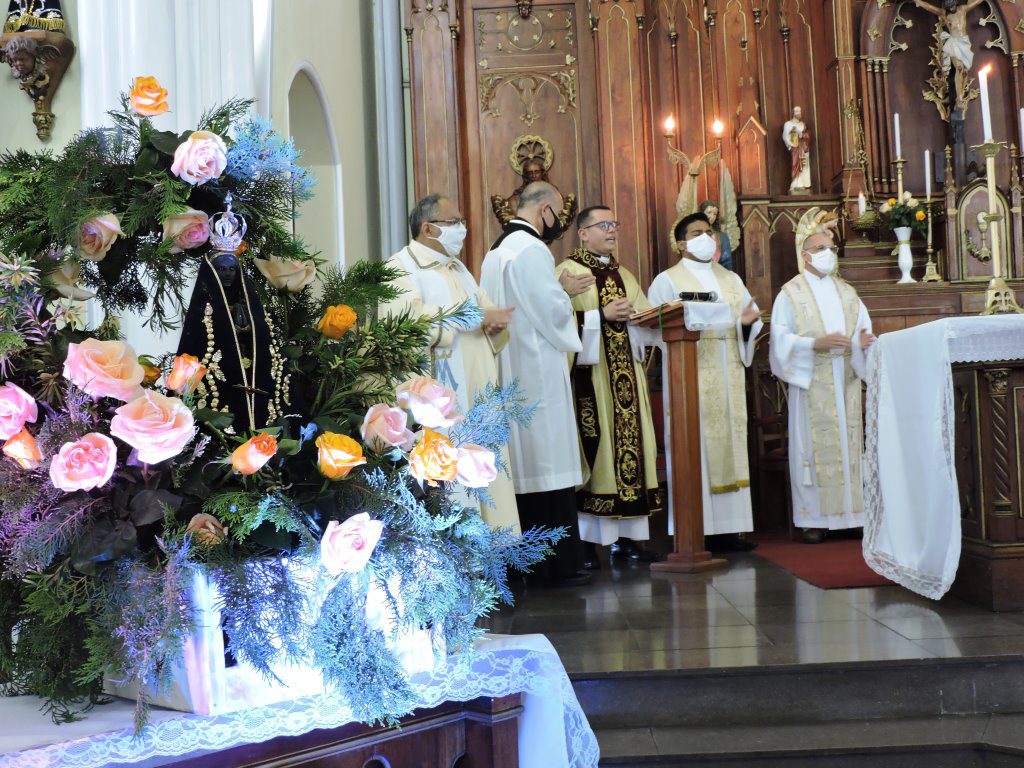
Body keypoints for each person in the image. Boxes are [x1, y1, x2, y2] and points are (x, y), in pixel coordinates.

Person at [380, 193, 519, 532]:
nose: (462, 228)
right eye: (453, 222)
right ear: (428, 228)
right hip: (441, 387)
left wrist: (494, 324)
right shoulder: (400, 267)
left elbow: (484, 311)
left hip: (478, 382)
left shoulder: (458, 268)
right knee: (450, 468)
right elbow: (402, 322)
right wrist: (473, 317)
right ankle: (459, 547)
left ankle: (490, 547)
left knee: (484, 457)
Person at [480, 181, 591, 586]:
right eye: (556, 213)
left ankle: (526, 563)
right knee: (547, 465)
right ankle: (556, 566)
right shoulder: (531, 250)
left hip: (511, 365)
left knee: (525, 465)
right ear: (544, 209)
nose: (556, 222)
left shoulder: (497, 250)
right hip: (536, 370)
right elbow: (551, 311)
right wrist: (566, 293)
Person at [647, 212, 762, 552]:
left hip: (728, 373)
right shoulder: (667, 281)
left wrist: (746, 324)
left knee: (730, 442)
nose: (706, 238)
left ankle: (732, 528)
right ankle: (696, 528)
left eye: (709, 232)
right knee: (696, 447)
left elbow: (749, 319)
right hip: (691, 375)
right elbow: (655, 327)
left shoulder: (730, 279)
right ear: (681, 243)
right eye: (697, 233)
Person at [555, 205, 662, 567]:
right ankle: (586, 544)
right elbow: (553, 321)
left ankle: (628, 540)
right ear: (582, 233)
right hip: (591, 383)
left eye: (614, 223)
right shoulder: (568, 272)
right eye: (603, 225)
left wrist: (642, 319)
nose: (612, 230)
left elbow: (647, 318)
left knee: (632, 458)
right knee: (596, 457)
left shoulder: (625, 274)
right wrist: (600, 315)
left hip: (627, 382)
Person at [768, 208, 875, 544]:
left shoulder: (847, 291)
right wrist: (815, 343)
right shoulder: (791, 292)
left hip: (844, 376)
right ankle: (812, 518)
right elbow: (779, 339)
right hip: (812, 377)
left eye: (832, 249)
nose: (829, 254)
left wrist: (863, 343)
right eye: (821, 249)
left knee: (849, 446)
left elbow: (863, 330)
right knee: (813, 450)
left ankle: (852, 515)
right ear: (806, 255)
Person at [783, 107, 812, 194]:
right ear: (794, 113)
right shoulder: (788, 124)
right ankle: (795, 183)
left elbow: (808, 135)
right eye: (797, 112)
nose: (799, 114)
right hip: (795, 148)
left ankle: (803, 184)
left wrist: (801, 135)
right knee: (795, 164)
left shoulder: (803, 124)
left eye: (800, 112)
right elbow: (785, 136)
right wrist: (790, 145)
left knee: (804, 165)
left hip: (803, 148)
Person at [700, 200, 733, 271]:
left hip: (720, 273)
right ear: (701, 213)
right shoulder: (696, 235)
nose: (712, 216)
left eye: (714, 214)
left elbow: (727, 261)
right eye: (709, 212)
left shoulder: (722, 236)